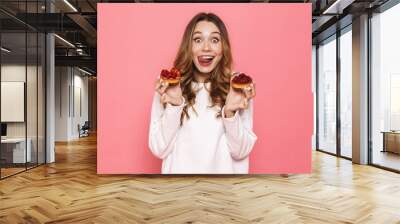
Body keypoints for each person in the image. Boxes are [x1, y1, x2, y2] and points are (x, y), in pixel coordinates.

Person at [148, 12, 257, 174]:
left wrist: (230, 112)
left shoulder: (236, 88)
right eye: (198, 40)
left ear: (223, 47)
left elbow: (241, 152)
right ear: (188, 46)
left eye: (214, 40)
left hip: (222, 193)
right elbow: (158, 149)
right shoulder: (169, 86)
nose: (206, 47)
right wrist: (175, 106)